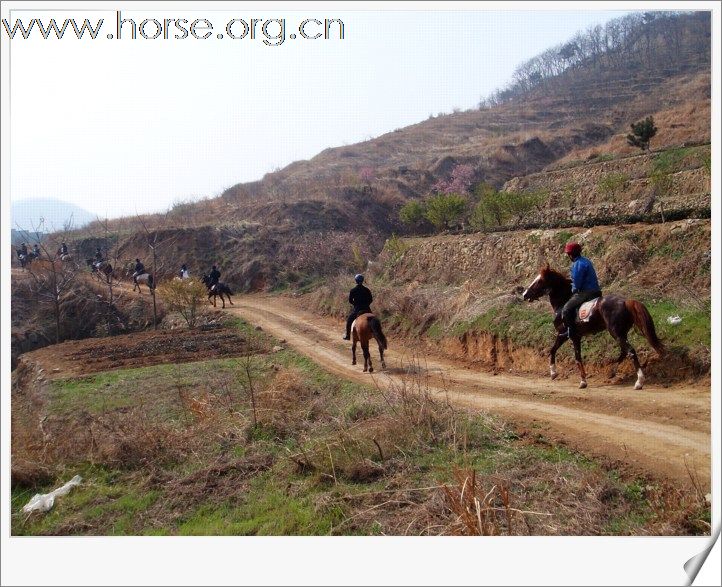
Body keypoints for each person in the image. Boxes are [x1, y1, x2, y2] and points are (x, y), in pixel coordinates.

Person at [561, 242, 602, 340]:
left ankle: (570, 331)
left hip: (586, 292)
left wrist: (573, 290)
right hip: (596, 291)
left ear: (570, 254)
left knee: (566, 308)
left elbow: (577, 284)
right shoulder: (586, 261)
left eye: (568, 254)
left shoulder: (577, 264)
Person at [343, 274, 373, 340]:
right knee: (374, 320)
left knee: (349, 321)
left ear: (356, 281)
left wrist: (355, 304)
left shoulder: (353, 290)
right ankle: (375, 333)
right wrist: (366, 304)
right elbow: (371, 300)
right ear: (362, 281)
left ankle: (347, 336)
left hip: (357, 310)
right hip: (367, 309)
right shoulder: (367, 290)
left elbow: (350, 301)